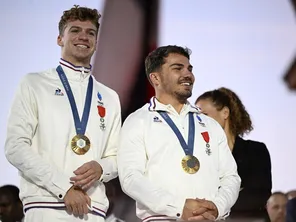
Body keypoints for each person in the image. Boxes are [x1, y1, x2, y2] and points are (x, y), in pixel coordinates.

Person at [4, 5, 121, 222]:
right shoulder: (34, 83)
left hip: (92, 210)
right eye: (75, 30)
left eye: (90, 33)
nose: (83, 37)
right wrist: (63, 188)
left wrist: (101, 167)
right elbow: (15, 147)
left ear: (96, 43)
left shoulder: (110, 97)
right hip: (46, 206)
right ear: (60, 39)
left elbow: (116, 156)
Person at [117, 45, 241, 222]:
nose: (188, 74)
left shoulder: (210, 125)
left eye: (189, 69)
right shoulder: (138, 121)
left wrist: (217, 207)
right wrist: (178, 207)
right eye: (177, 68)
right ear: (155, 78)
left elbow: (231, 177)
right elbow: (131, 178)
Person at [195, 87, 272, 220]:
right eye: (196, 117)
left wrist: (216, 204)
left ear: (225, 113)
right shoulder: (199, 155)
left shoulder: (255, 150)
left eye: (204, 115)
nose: (198, 122)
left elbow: (258, 195)